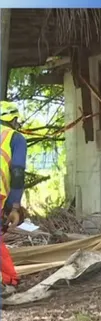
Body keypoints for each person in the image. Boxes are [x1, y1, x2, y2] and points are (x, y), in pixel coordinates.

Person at [0, 101, 26, 290]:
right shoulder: (15, 138)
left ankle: (10, 280)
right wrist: (14, 206)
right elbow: (17, 173)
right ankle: (9, 281)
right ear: (14, 119)